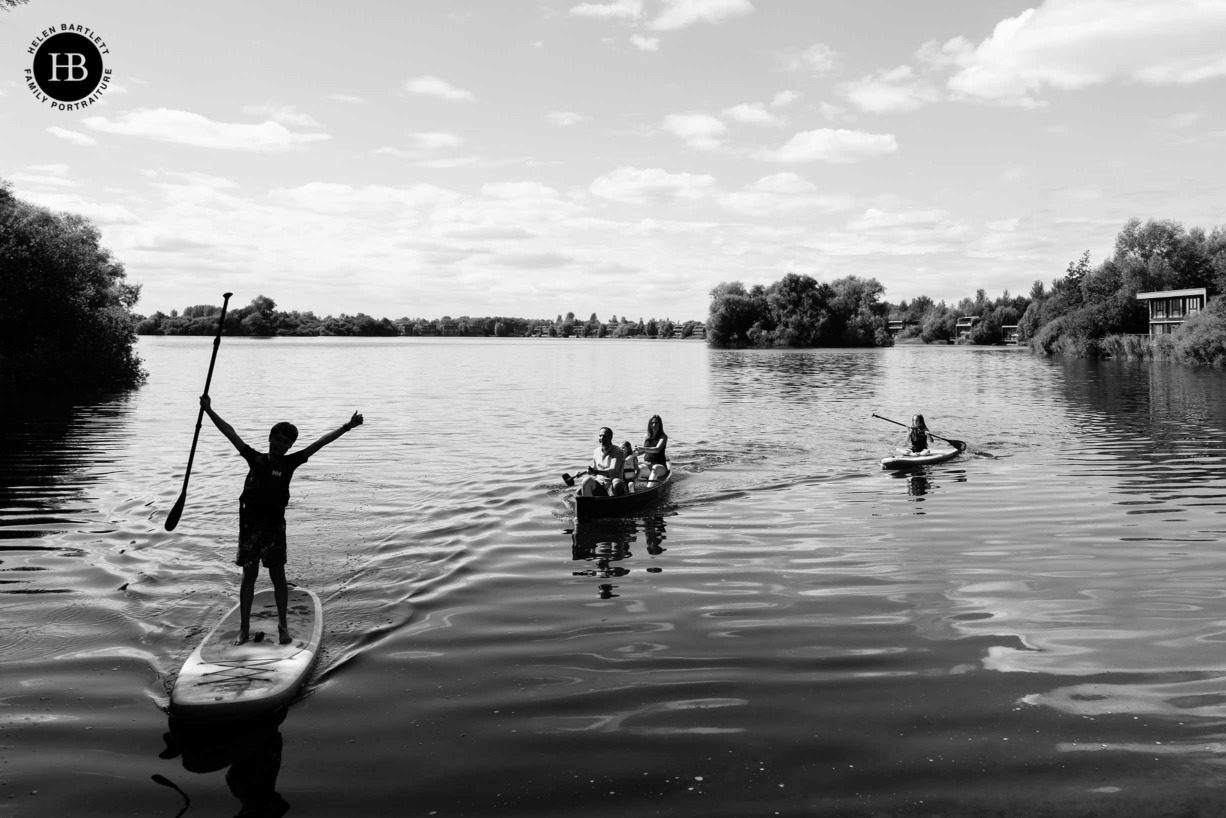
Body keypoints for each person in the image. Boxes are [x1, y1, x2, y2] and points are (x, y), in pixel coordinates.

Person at [201, 396, 363, 645]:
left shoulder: (290, 463)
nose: (280, 444)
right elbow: (230, 433)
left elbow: (320, 443)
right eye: (277, 439)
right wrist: (209, 410)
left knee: (278, 576)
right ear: (270, 438)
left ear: (289, 447)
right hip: (250, 526)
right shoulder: (254, 459)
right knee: (249, 574)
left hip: (274, 527)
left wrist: (346, 427)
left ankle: (283, 627)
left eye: (285, 442)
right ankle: (244, 629)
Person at [576, 427, 626, 497]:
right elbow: (594, 467)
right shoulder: (596, 451)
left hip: (611, 484)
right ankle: (588, 505)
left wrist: (596, 472)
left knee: (616, 483)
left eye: (604, 436)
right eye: (600, 436)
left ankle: (614, 503)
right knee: (585, 482)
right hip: (600, 484)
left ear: (610, 438)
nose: (602, 438)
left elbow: (613, 471)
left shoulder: (617, 452)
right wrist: (581, 473)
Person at [634, 414, 669, 485]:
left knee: (655, 468)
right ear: (649, 424)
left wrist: (643, 448)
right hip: (647, 464)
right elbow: (644, 451)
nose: (654, 425)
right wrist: (634, 453)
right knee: (638, 467)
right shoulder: (646, 436)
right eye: (652, 423)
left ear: (660, 425)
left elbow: (657, 449)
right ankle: (635, 487)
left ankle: (649, 488)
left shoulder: (663, 436)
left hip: (660, 466)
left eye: (656, 423)